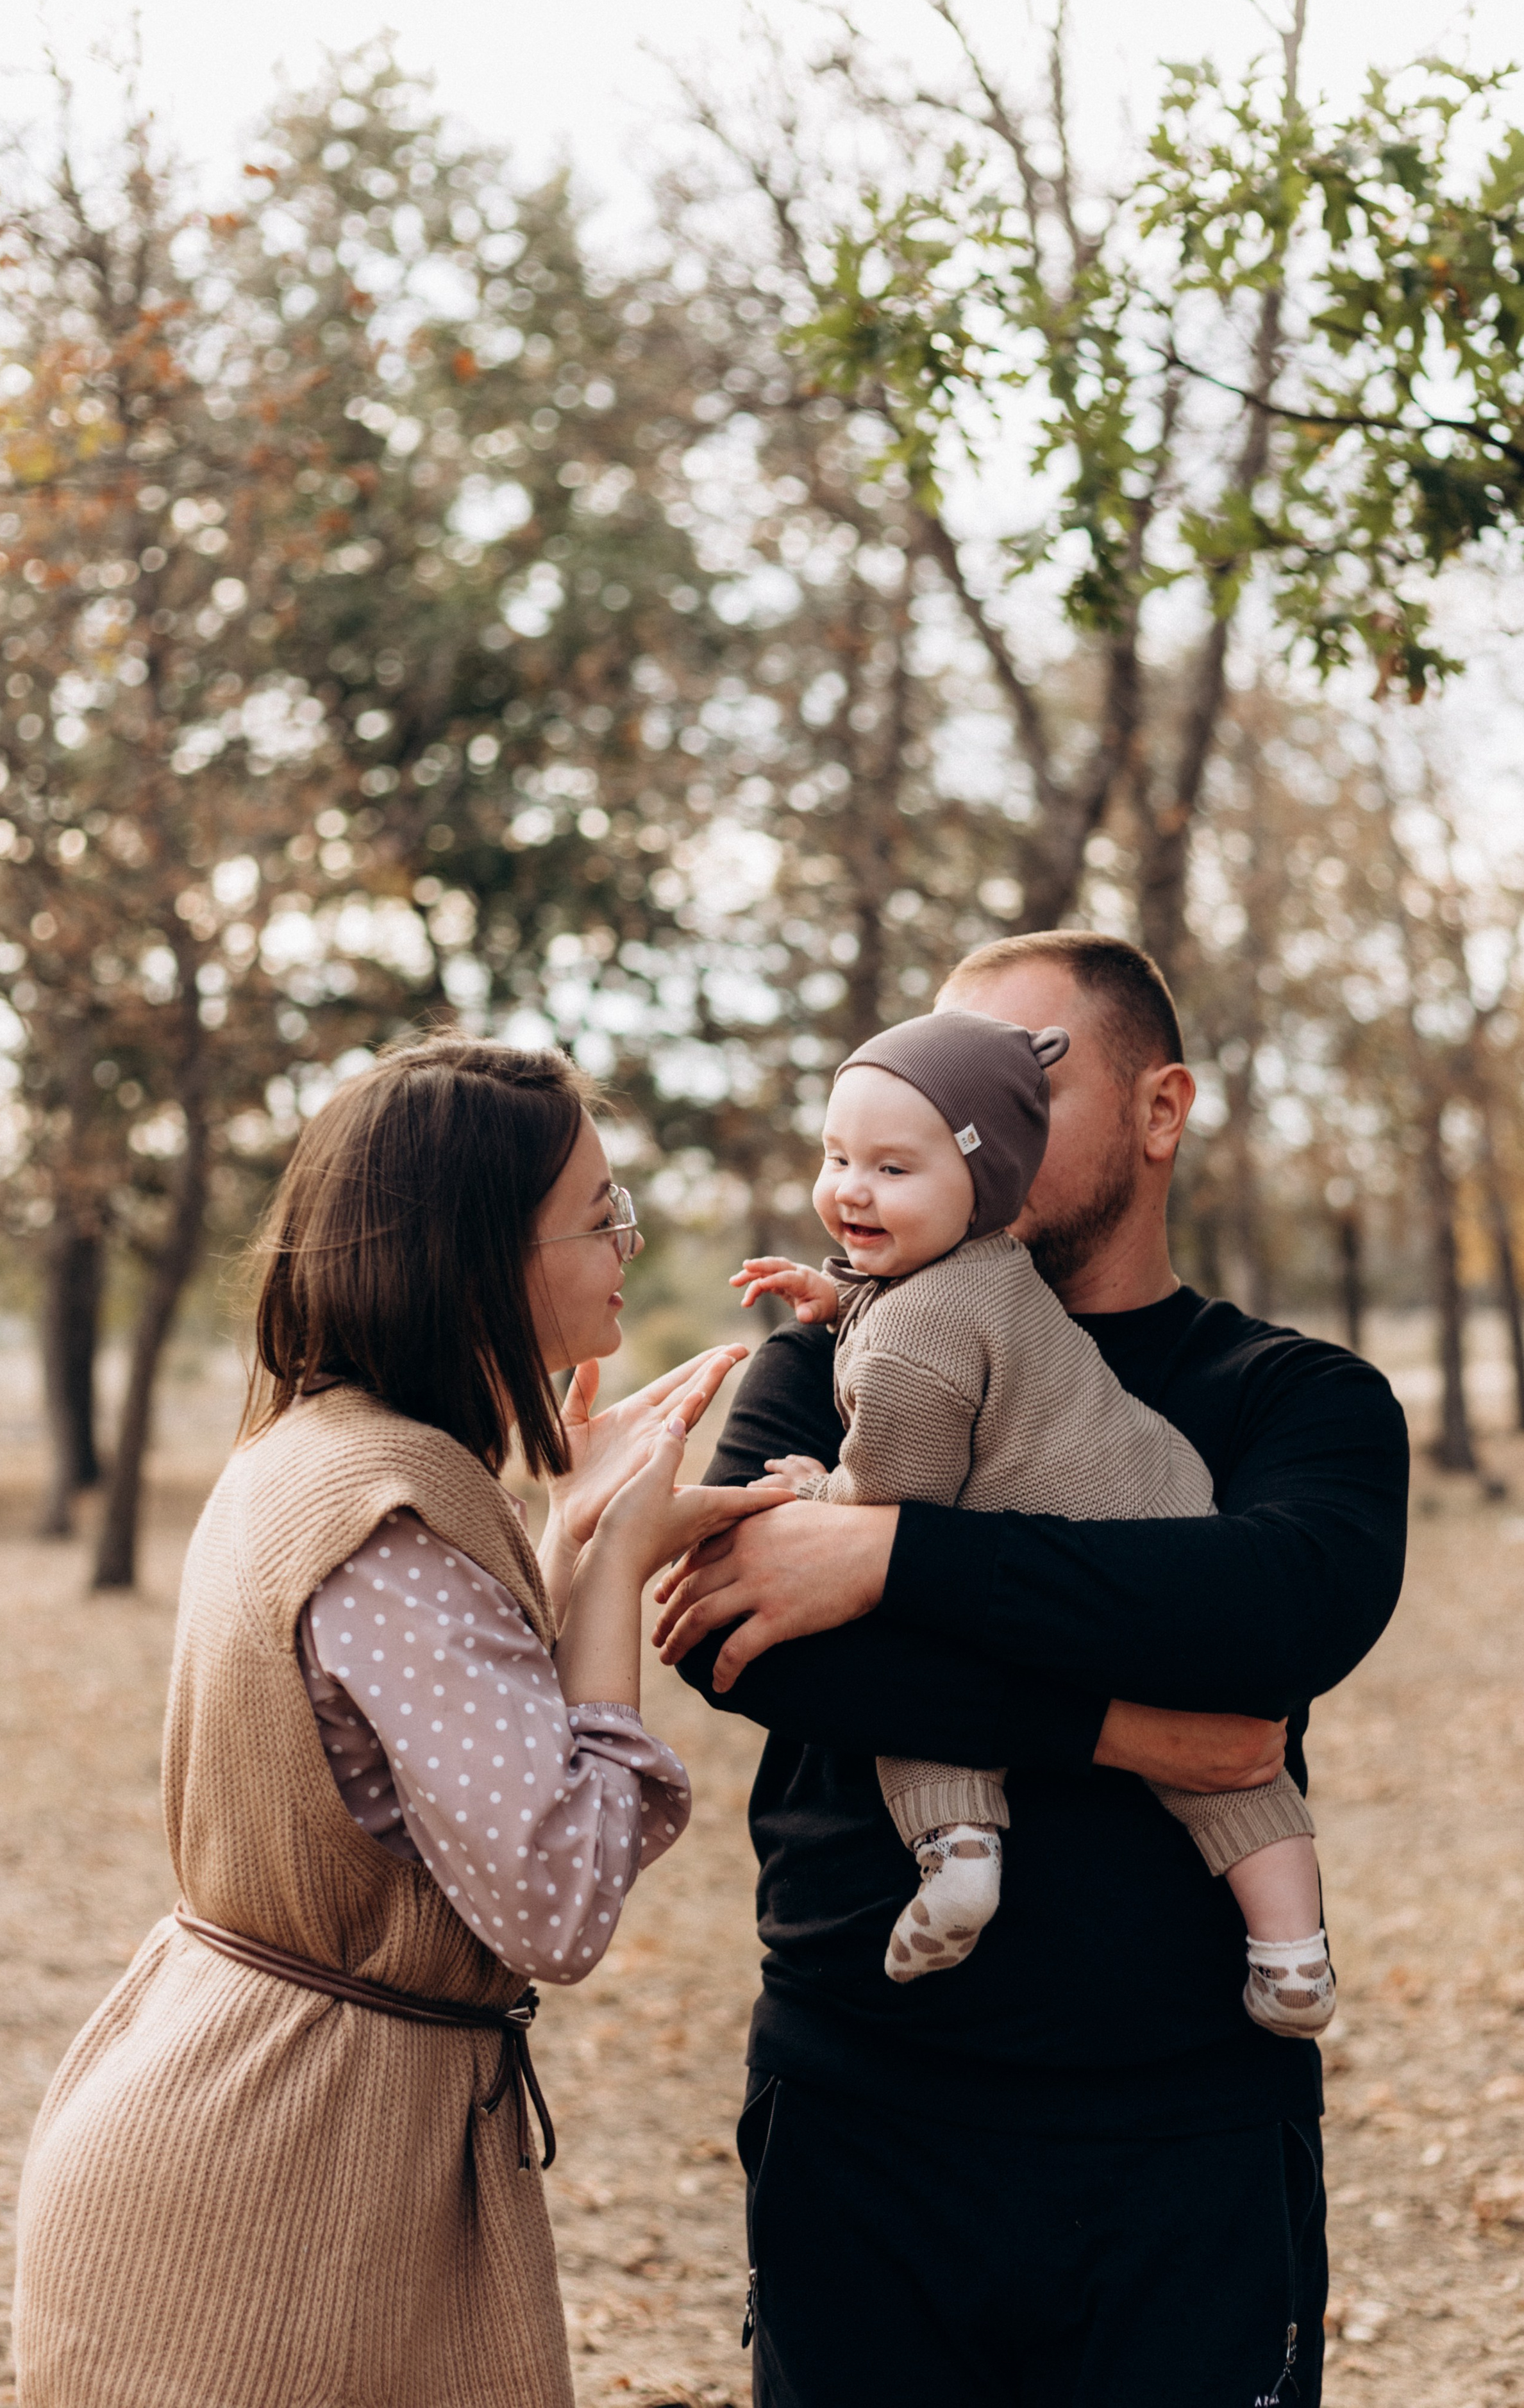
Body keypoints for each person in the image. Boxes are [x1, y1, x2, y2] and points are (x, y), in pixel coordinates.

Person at [655, 931, 1409, 2408]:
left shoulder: (1295, 1397)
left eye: (1028, 1073)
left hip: (1182, 2131)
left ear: (1160, 1110)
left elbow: (1268, 1617)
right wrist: (1123, 1728)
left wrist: (888, 1566)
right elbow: (741, 1648)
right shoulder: (823, 1360)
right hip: (859, 2104)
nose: (961, 1112)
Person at [13, 1034, 790, 2408]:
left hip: (270, 2134)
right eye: (597, 1211)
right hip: (278, 2191)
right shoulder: (389, 1513)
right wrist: (613, 1575)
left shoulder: (337, 1456)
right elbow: (555, 1894)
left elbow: (438, 1748)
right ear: (478, 1254)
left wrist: (570, 1536)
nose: (627, 1238)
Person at [732, 1006, 1332, 2032]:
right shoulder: (989, 1271)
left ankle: (960, 1852)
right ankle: (1295, 1956)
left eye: (891, 1168)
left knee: (912, 1650)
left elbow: (896, 1488)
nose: (849, 1189)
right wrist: (840, 1302)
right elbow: (725, 1637)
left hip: (1173, 2086)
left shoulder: (1301, 1389)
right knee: (1233, 1774)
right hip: (1158, 1501)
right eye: (837, 1158)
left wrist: (815, 1498)